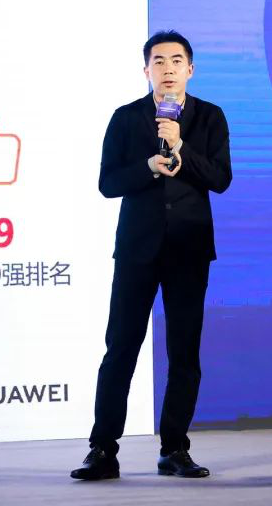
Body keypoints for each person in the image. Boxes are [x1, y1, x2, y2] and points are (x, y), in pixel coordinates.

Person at [71, 30, 232, 480]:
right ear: (146, 70)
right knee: (121, 347)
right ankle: (102, 450)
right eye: (158, 61)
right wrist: (147, 167)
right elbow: (108, 183)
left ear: (190, 69)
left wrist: (181, 147)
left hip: (189, 249)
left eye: (176, 61)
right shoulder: (126, 118)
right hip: (137, 250)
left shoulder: (210, 117)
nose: (167, 69)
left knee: (184, 353)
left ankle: (174, 449)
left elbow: (220, 178)